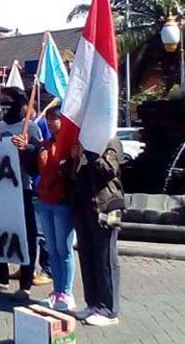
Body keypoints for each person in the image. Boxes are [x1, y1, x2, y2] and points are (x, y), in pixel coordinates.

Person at [0, 86, 43, 300]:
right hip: (1, 190)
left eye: (8, 100)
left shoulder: (31, 128)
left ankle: (25, 283)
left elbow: (39, 158)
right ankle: (0, 278)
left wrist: (26, 147)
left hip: (23, 190)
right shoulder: (0, 126)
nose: (4, 105)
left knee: (27, 236)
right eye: (2, 101)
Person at [71, 137, 124, 327]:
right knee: (87, 256)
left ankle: (109, 309)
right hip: (84, 205)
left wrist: (88, 153)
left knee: (105, 258)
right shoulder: (83, 141)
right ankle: (93, 303)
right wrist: (74, 158)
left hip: (105, 206)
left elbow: (108, 170)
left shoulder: (111, 142)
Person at [34, 106, 76, 312]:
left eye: (55, 119)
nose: (50, 123)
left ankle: (67, 293)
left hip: (62, 203)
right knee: (53, 250)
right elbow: (35, 168)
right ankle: (57, 290)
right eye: (49, 119)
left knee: (64, 249)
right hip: (45, 201)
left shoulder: (70, 145)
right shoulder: (45, 145)